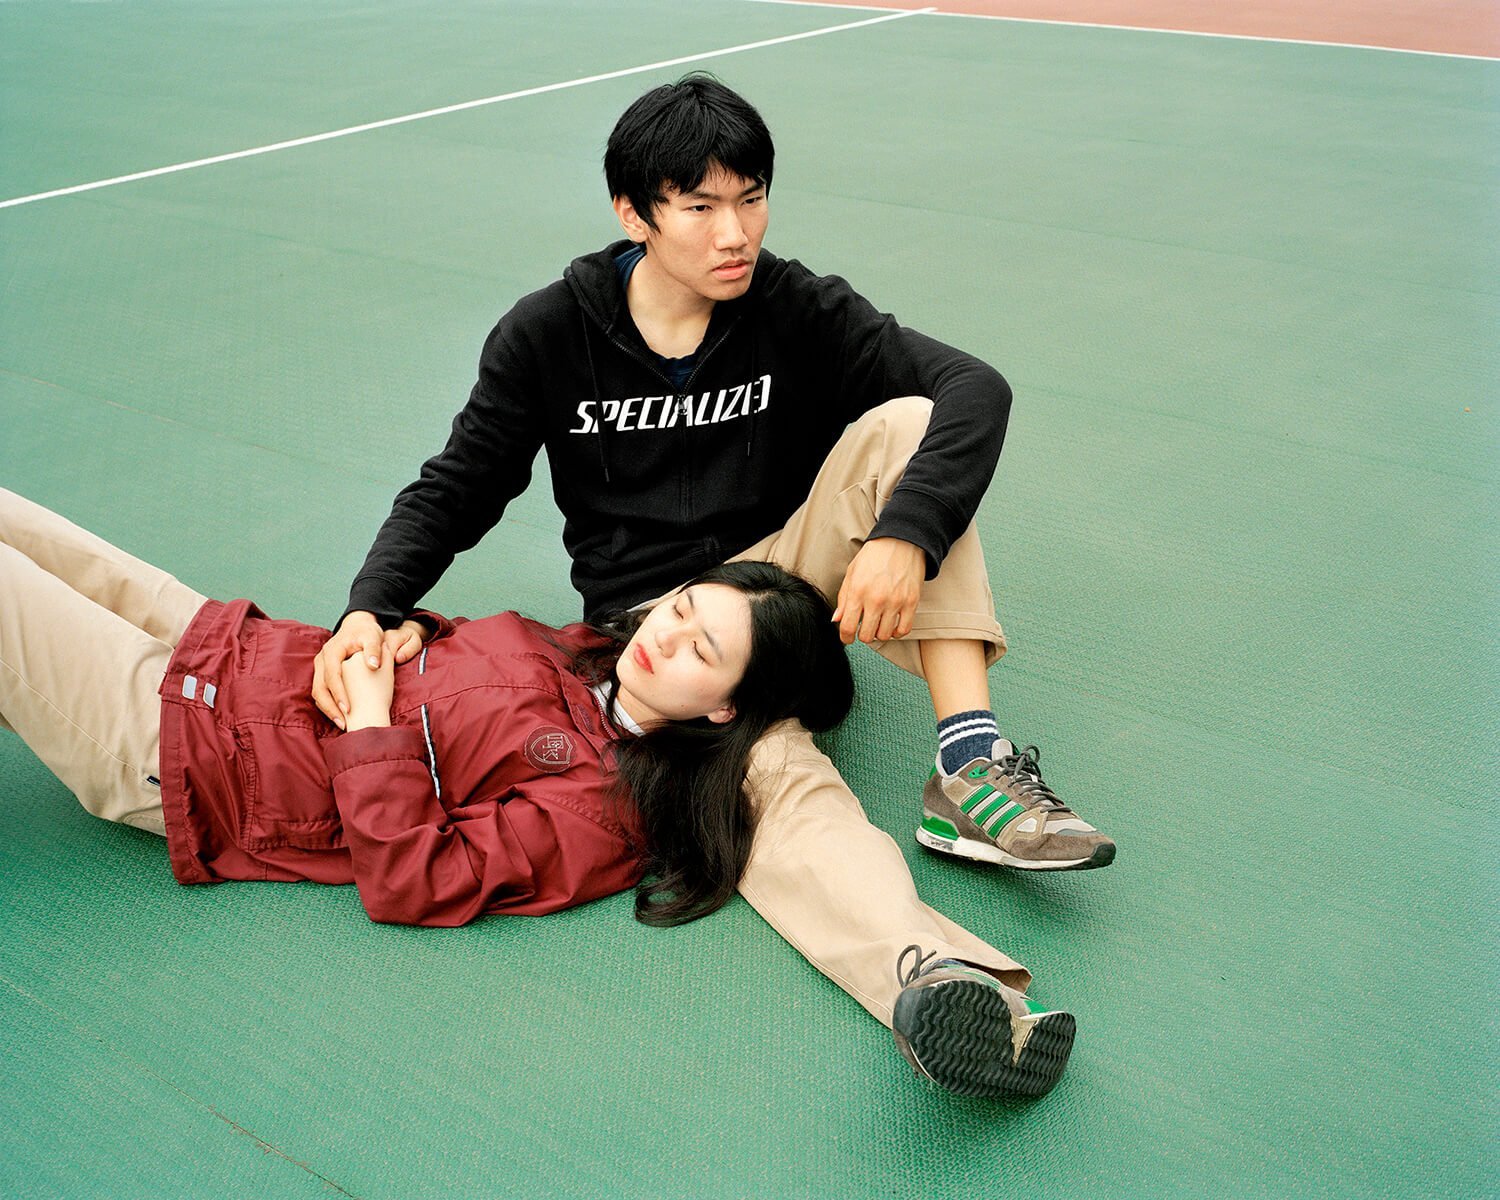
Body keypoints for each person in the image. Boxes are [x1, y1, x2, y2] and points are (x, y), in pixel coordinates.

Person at [309, 75, 1101, 1099]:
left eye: (752, 197)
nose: (736, 233)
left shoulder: (793, 305)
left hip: (777, 583)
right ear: (633, 214)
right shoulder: (549, 334)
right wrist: (370, 606)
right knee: (766, 783)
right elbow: (457, 485)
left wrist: (906, 534)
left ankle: (969, 762)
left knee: (910, 428)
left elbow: (972, 388)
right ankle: (935, 979)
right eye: (699, 206)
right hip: (657, 630)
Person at [0, 489, 852, 929]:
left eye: (703, 650)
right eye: (682, 608)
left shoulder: (603, 813)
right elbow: (475, 671)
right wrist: (412, 631)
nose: (665, 635)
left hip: (198, 753)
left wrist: (373, 726)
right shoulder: (588, 651)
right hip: (231, 646)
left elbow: (420, 880)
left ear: (727, 710)